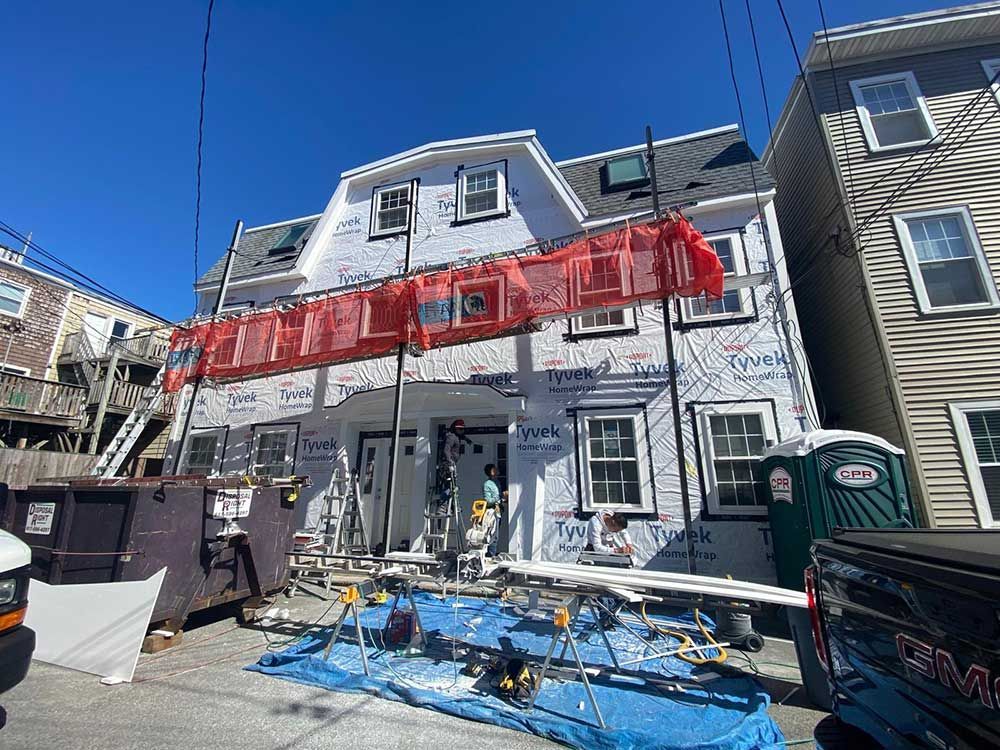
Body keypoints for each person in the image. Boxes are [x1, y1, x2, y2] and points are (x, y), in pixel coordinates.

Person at [582, 510, 633, 629]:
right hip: (595, 553)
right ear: (612, 523)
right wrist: (617, 550)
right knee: (603, 586)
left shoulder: (612, 516)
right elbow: (598, 548)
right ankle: (605, 617)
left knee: (615, 583)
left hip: (609, 551)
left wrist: (629, 544)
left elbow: (623, 532)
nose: (615, 533)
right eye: (615, 530)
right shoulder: (595, 523)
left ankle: (613, 613)